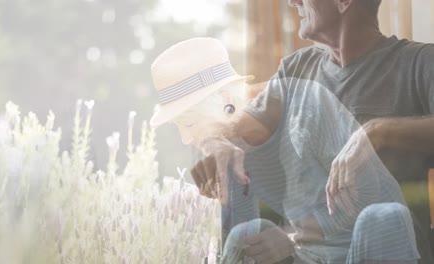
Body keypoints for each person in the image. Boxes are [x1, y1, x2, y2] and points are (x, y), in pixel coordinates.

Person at [183, 0, 434, 263]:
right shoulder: (296, 70)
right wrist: (220, 144)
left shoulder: (418, 63)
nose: (294, 2)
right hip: (304, 253)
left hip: (381, 247)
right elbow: (236, 128)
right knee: (242, 221)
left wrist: (378, 131)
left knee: (383, 217)